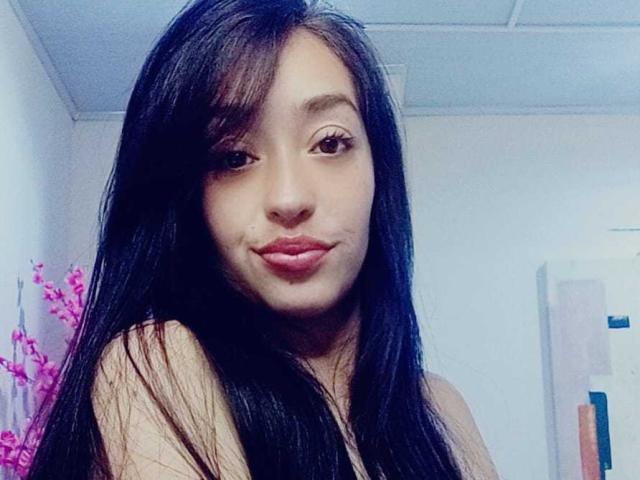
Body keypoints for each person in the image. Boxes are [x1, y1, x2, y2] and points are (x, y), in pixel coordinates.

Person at [25, 0, 499, 479]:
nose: (289, 198)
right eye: (233, 157)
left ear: (380, 168)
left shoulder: (440, 408)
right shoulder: (158, 362)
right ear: (187, 197)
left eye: (329, 143)